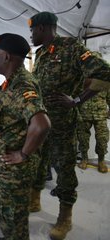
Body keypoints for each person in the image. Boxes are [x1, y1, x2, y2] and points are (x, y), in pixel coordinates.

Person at [29, 11, 110, 240]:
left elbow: (105, 72)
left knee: (64, 170)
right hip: (40, 122)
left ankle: (65, 217)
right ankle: (34, 200)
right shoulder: (42, 53)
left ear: (43, 28)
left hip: (62, 126)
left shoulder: (71, 47)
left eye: (32, 30)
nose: (31, 35)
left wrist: (76, 100)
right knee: (38, 162)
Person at [0, 33, 51, 240]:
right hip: (5, 170)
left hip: (12, 172)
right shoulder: (12, 83)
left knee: (14, 217)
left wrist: (23, 154)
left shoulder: (21, 86)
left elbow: (42, 124)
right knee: (9, 215)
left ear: (6, 56)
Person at [77, 78, 110, 173]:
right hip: (84, 114)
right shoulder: (81, 81)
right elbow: (76, 97)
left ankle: (101, 160)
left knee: (102, 139)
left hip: (100, 115)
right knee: (83, 138)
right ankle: (84, 158)